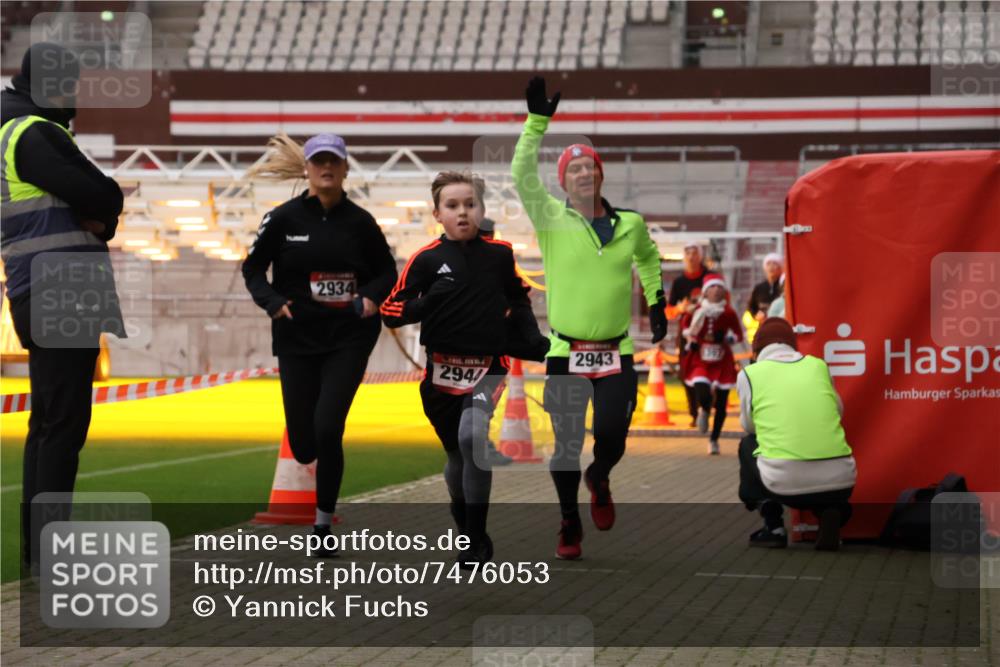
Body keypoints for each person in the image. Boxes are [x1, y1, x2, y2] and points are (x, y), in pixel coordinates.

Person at [512, 76, 667, 560]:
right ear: (563, 180)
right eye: (574, 168)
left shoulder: (631, 224)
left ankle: (598, 477)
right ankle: (567, 520)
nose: (583, 173)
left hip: (616, 352)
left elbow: (648, 257)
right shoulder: (551, 220)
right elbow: (520, 174)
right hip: (565, 352)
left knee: (613, 436)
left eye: (589, 166)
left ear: (600, 175)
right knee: (564, 444)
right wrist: (538, 122)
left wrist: (657, 299)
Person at [381, 172, 546, 568]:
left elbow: (519, 299)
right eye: (452, 206)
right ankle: (464, 518)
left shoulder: (501, 254)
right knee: (456, 456)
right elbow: (390, 312)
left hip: (488, 367)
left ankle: (475, 540)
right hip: (440, 375)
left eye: (470, 204)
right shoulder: (425, 260)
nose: (462, 212)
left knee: (473, 438)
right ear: (437, 214)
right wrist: (427, 304)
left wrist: (534, 339)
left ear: (482, 210)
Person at [242, 132, 397, 557]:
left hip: (348, 337)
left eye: (334, 161)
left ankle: (323, 527)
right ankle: (317, 483)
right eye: (318, 162)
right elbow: (253, 270)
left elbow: (387, 273)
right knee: (304, 440)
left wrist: (370, 297)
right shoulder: (282, 219)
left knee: (329, 427)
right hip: (296, 339)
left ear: (345, 169)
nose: (326, 168)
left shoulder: (362, 223)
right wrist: (273, 303)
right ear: (307, 169)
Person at [2, 43, 126, 568]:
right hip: (61, 286)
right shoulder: (35, 134)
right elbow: (99, 194)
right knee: (64, 425)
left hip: (36, 287)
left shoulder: (16, 132)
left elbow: (93, 204)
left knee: (48, 422)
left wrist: (103, 206)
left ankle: (38, 551)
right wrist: (111, 198)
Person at [736, 318, 857, 551]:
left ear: (757, 348)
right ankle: (831, 512)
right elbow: (838, 411)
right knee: (827, 443)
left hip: (783, 483)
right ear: (792, 345)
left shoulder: (750, 374)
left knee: (748, 444)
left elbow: (750, 426)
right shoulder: (818, 365)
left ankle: (773, 527)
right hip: (841, 481)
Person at [682, 273, 743, 455]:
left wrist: (727, 337)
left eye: (719, 288)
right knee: (702, 389)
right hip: (701, 358)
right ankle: (704, 409)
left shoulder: (729, 312)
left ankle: (714, 439)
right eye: (712, 287)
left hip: (722, 359)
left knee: (722, 401)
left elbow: (739, 334)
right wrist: (692, 339)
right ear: (705, 292)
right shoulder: (697, 310)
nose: (716, 290)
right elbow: (686, 328)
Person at [667, 242, 710, 427]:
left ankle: (706, 407)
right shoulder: (679, 282)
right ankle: (694, 412)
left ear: (700, 256)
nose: (691, 257)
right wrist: (680, 308)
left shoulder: (710, 277)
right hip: (685, 335)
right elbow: (668, 311)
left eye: (694, 253)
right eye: (688, 254)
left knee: (708, 372)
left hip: (708, 334)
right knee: (686, 372)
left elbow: (725, 300)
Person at [747, 253, 784, 323]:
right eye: (768, 264)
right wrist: (756, 315)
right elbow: (751, 307)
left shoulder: (784, 287)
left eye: (775, 264)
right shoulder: (758, 288)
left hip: (780, 323)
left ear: (780, 267)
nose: (771, 267)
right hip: (763, 324)